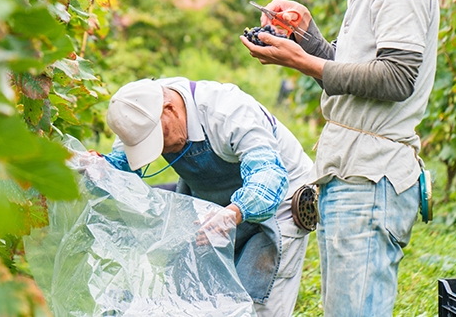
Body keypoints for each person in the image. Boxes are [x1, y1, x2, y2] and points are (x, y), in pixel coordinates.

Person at [240, 0, 440, 317]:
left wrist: (303, 61)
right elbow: (357, 71)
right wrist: (309, 38)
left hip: (373, 176)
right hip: (350, 172)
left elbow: (395, 77)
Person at [102, 76, 314, 317]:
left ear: (169, 109)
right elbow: (122, 165)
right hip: (211, 202)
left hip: (279, 199)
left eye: (161, 138)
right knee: (204, 296)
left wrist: (231, 215)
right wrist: (97, 168)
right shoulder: (137, 115)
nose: (159, 149)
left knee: (256, 301)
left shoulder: (226, 111)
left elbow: (269, 176)